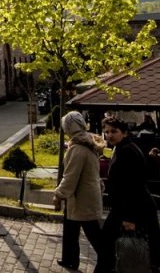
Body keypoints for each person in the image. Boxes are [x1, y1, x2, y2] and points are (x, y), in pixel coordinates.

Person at [97, 116, 160, 273]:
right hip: (126, 208)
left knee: (144, 249)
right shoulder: (123, 147)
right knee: (112, 248)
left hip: (133, 209)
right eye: (106, 132)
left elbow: (133, 185)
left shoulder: (127, 151)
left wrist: (130, 218)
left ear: (124, 132)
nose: (109, 135)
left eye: (113, 131)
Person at [53, 111, 104, 270]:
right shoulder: (87, 143)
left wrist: (58, 195)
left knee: (94, 235)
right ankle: (70, 259)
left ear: (68, 127)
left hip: (82, 198)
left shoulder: (77, 148)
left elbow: (70, 177)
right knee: (70, 229)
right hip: (80, 196)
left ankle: (110, 261)